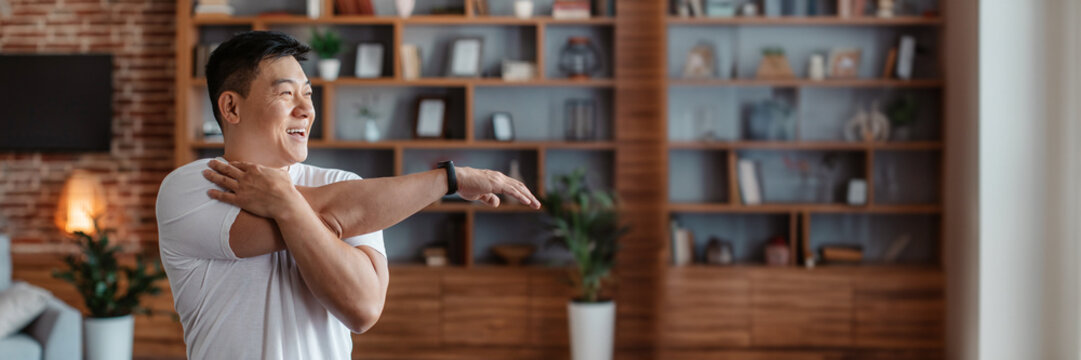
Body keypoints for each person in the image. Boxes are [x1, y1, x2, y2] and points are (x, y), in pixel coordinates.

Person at [155, 31, 539, 360]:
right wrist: (449, 180)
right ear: (231, 107)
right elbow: (338, 207)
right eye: (286, 94)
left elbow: (364, 309)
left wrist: (285, 203)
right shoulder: (195, 186)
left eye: (308, 94)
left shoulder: (343, 182)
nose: (306, 110)